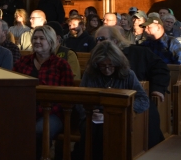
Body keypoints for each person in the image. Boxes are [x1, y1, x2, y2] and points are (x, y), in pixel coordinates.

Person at [94, 25, 169, 148]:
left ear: (115, 41)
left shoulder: (139, 52)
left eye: (102, 39)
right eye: (96, 40)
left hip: (137, 100)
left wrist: (158, 89)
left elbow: (161, 69)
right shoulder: (97, 58)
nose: (98, 43)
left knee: (148, 114)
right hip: (107, 102)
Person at [72, 42, 149, 160]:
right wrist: (89, 113)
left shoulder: (128, 74)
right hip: (92, 116)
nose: (107, 70)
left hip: (118, 116)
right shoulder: (90, 74)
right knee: (91, 130)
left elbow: (143, 100)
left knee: (110, 130)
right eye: (102, 66)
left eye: (110, 65)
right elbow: (80, 98)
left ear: (118, 63)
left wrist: (121, 112)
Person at [13, 25, 73, 159]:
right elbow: (13, 86)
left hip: (53, 113)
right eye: (34, 38)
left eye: (41, 38)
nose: (37, 41)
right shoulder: (23, 62)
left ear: (51, 42)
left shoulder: (61, 65)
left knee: (40, 131)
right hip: (25, 110)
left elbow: (67, 95)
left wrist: (45, 110)